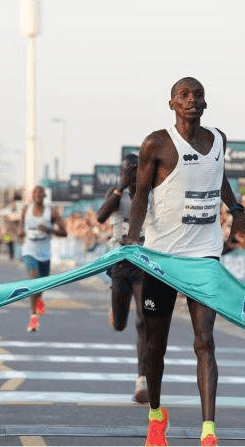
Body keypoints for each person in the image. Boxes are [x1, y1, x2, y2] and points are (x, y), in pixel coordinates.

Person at [123, 77, 245, 447]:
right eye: (184, 95)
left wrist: (237, 212)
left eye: (198, 95)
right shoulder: (156, 143)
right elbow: (140, 195)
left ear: (205, 103)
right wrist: (133, 238)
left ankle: (208, 431)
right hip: (162, 258)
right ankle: (156, 417)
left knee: (205, 341)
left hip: (204, 255)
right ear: (171, 104)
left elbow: (218, 176)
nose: (192, 100)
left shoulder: (218, 140)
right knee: (156, 346)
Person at [96, 153, 148, 403]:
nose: (133, 175)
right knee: (119, 324)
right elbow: (100, 217)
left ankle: (142, 379)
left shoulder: (151, 194)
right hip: (119, 263)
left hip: (144, 263)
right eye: (129, 171)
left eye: (136, 170)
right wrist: (120, 187)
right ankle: (115, 311)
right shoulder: (116, 194)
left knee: (143, 321)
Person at [18, 185, 68, 332]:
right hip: (29, 250)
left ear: (45, 196)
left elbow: (64, 233)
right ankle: (33, 317)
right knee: (34, 280)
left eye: (41, 193)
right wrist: (20, 233)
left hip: (45, 253)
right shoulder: (26, 210)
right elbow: (20, 227)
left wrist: (49, 229)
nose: (38, 196)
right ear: (32, 196)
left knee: (41, 285)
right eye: (35, 193)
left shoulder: (51, 213)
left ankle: (39, 299)